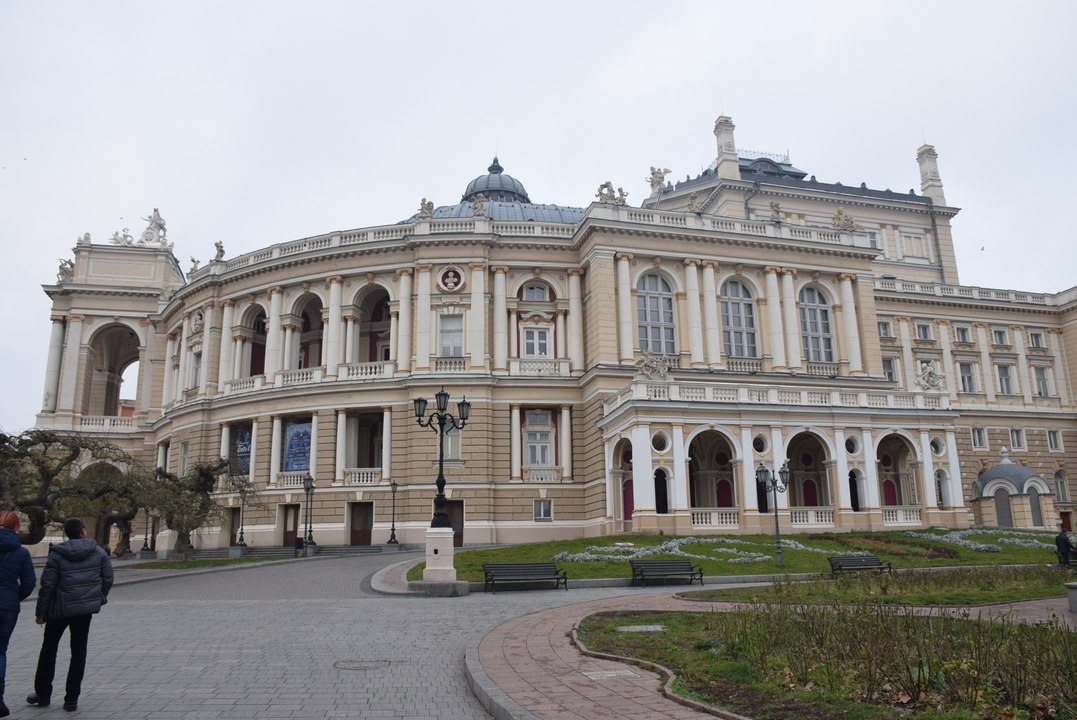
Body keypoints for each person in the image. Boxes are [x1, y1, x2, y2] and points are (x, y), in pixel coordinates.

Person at [27, 518, 113, 712]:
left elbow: (47, 584)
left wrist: (41, 611)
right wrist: (98, 598)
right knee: (78, 652)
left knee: (48, 650)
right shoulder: (98, 552)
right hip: (83, 611)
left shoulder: (57, 554)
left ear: (67, 533)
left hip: (58, 609)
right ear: (83, 531)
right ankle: (71, 699)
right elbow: (108, 578)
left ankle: (42, 693)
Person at [0, 512, 35, 717]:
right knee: (1, 650)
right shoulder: (21, 552)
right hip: (7, 606)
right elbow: (29, 583)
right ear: (16, 528)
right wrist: (15, 597)